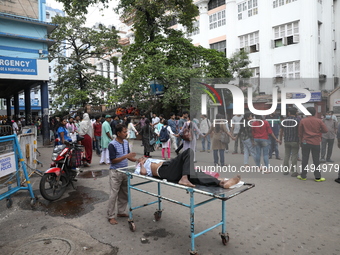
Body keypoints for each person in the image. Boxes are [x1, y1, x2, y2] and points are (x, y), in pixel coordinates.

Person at [135, 148, 241, 189]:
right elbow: (143, 173)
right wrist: (141, 163)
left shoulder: (150, 159)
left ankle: (221, 183)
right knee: (188, 151)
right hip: (164, 171)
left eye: (142, 157)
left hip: (170, 168)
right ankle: (184, 178)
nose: (142, 157)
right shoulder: (140, 165)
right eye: (140, 158)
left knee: (196, 173)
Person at [108, 124, 137, 225]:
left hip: (125, 171)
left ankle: (121, 212)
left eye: (126, 132)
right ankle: (111, 216)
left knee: (124, 193)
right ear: (118, 133)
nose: (126, 133)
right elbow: (113, 160)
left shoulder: (125, 142)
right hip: (115, 172)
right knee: (113, 194)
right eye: (124, 132)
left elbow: (128, 157)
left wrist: (137, 160)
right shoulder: (112, 144)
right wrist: (126, 156)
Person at [297, 107, 328, 181]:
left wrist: (301, 141)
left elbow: (300, 132)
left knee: (304, 159)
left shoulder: (303, 121)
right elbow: (325, 130)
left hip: (305, 142)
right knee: (316, 160)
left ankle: (303, 176)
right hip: (316, 142)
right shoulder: (319, 121)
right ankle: (317, 177)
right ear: (315, 113)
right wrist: (318, 131)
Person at [279, 108, 300, 177]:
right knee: (294, 156)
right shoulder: (298, 120)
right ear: (295, 113)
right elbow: (300, 131)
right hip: (295, 140)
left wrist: (280, 139)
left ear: (289, 113)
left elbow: (281, 131)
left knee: (286, 155)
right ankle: (293, 171)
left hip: (287, 140)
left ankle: (285, 171)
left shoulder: (284, 121)